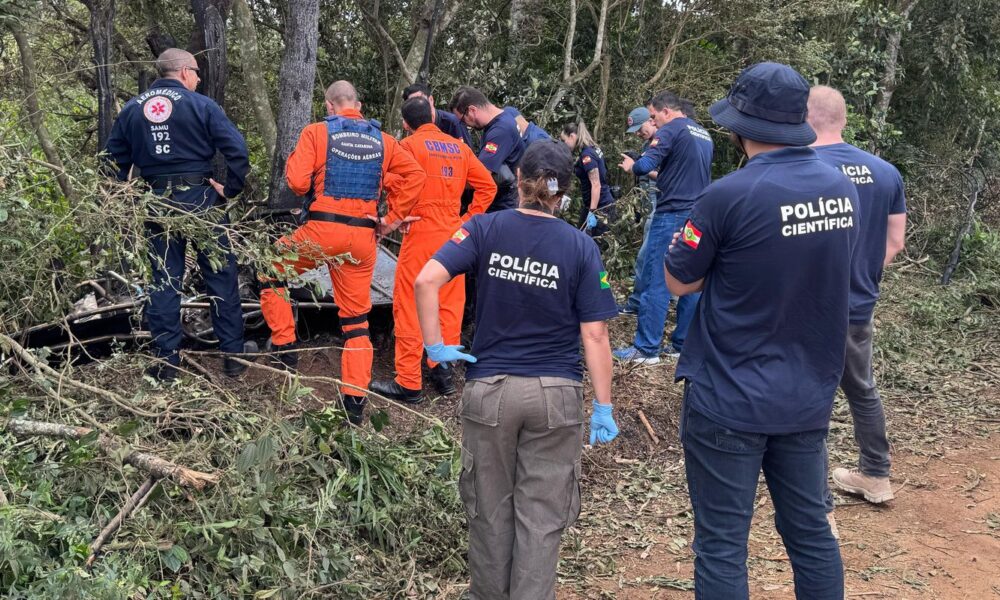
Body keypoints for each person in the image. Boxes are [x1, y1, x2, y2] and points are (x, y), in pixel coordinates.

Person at [665, 62, 859, 599]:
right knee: (811, 533)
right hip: (808, 394)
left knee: (722, 545)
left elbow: (679, 281)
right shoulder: (841, 188)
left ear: (739, 127)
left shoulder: (726, 196)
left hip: (729, 395)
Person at [413, 140, 619, 599]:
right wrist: (603, 405)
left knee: (489, 510)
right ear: (564, 194)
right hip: (555, 396)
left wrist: (435, 346)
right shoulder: (581, 246)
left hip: (491, 390)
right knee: (541, 516)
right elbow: (595, 335)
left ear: (519, 181)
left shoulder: (483, 227)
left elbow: (426, 279)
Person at [259, 81, 425, 425]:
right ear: (358, 105)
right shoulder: (384, 140)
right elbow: (415, 175)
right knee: (356, 322)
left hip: (321, 231)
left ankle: (285, 347)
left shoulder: (317, 132)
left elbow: (297, 183)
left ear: (329, 105)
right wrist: (391, 220)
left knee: (269, 269)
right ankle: (354, 404)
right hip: (362, 238)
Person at [103, 48, 252, 381]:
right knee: (220, 275)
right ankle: (233, 357)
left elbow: (111, 162)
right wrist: (230, 189)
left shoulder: (132, 109)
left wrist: (124, 198)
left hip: (157, 202)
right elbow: (237, 150)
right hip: (201, 201)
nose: (198, 79)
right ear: (185, 72)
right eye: (196, 73)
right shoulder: (202, 105)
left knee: (164, 281)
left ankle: (166, 363)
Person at [808, 86, 907, 516]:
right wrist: (861, 272)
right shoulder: (886, 172)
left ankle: (812, 496)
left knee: (810, 393)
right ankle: (876, 474)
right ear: (844, 119)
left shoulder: (804, 168)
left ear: (803, 119)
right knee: (862, 389)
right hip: (858, 303)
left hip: (809, 304)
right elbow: (896, 241)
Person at [369, 97, 497, 403]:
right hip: (453, 237)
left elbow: (388, 180)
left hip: (420, 233)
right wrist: (465, 221)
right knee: (449, 305)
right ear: (434, 116)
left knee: (410, 303)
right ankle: (443, 372)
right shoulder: (459, 148)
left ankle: (409, 382)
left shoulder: (407, 147)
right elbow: (488, 187)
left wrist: (398, 214)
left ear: (405, 124)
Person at [614, 90, 713, 363]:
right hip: (698, 215)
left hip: (671, 214)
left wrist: (633, 164)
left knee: (656, 278)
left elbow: (645, 165)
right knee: (690, 280)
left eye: (654, 116)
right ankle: (682, 344)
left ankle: (647, 348)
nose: (653, 122)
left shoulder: (671, 129)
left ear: (666, 111)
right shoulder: (703, 133)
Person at [449, 86, 525, 212]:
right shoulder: (503, 118)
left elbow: (481, 175)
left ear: (472, 110)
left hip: (501, 205)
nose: (465, 125)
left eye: (462, 120)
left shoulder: (500, 131)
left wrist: (448, 181)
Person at [620, 106, 659, 315]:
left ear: (651, 121)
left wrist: (637, 166)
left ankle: (636, 303)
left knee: (646, 256)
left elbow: (664, 176)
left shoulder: (663, 143)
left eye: (639, 129)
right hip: (649, 205)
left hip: (661, 206)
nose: (638, 134)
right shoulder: (647, 145)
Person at [560, 120, 614, 237]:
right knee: (581, 237)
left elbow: (596, 185)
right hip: (595, 204)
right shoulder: (592, 148)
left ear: (572, 136)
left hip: (600, 207)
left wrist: (592, 212)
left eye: (564, 140)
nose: (564, 144)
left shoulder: (587, 155)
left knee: (593, 242)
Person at [401, 82, 473, 147]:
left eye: (420, 100)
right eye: (413, 104)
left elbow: (467, 152)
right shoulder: (412, 124)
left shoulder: (452, 122)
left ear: (431, 99)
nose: (417, 105)